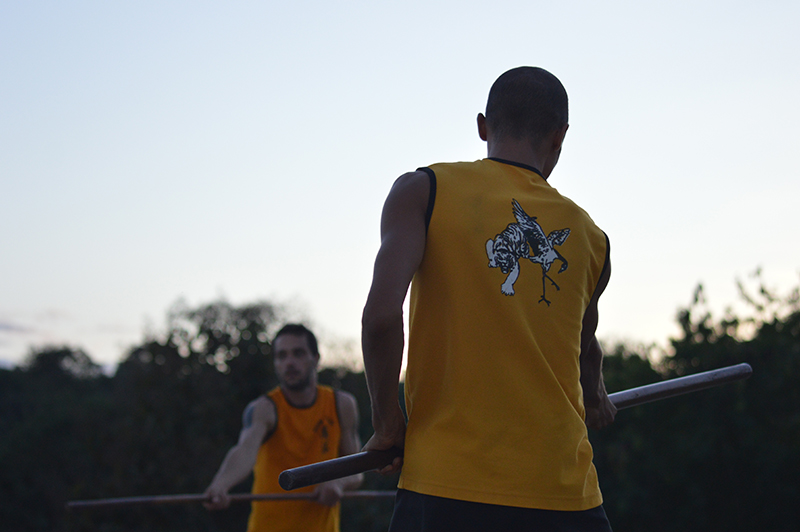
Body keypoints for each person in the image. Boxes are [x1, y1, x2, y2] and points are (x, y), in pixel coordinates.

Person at [361, 66, 618, 531]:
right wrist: (596, 396)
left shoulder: (424, 191)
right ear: (560, 137)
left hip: (445, 490)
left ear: (483, 125)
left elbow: (381, 318)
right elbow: (584, 345)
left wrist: (387, 425)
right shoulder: (591, 238)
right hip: (565, 499)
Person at [204, 323, 363, 532]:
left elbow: (357, 470)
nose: (289, 363)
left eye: (298, 354)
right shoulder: (265, 408)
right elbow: (244, 450)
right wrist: (221, 484)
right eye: (282, 356)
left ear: (315, 358)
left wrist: (337, 483)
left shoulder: (341, 404)